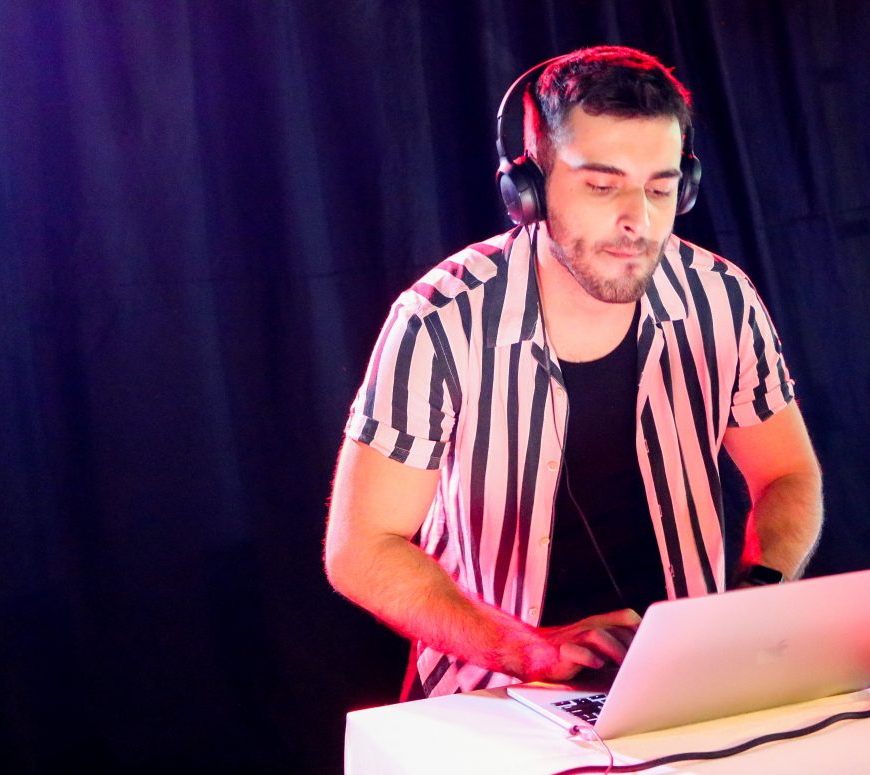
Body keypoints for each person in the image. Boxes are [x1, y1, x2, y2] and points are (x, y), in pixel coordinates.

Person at [324, 45, 823, 699]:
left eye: (661, 188)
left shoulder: (721, 297)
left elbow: (788, 473)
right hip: (494, 690)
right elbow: (362, 547)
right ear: (527, 192)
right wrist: (529, 650)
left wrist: (758, 592)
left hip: (683, 683)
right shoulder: (440, 320)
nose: (638, 221)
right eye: (602, 186)